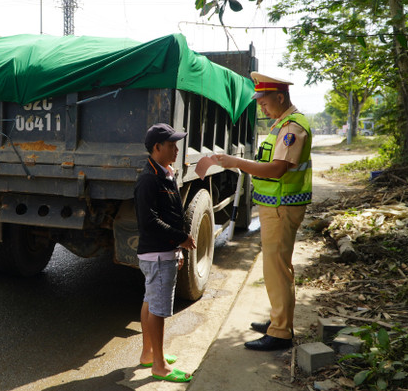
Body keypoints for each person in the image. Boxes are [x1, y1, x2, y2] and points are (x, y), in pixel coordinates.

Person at [212, 72, 312, 351]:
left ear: (280, 97)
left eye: (265, 102)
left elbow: (278, 168)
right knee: (274, 268)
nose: (262, 108)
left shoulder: (293, 127)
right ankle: (276, 321)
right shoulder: (281, 124)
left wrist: (237, 163)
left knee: (278, 269)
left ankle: (280, 333)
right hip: (276, 206)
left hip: (283, 206)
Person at [134, 123, 197, 382]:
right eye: (172, 145)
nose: (176, 149)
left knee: (150, 301)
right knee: (158, 309)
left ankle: (148, 353)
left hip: (162, 253)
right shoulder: (149, 179)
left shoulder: (164, 173)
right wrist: (181, 239)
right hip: (157, 255)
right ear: (157, 148)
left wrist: (176, 248)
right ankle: (159, 366)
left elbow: (172, 214)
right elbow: (148, 221)